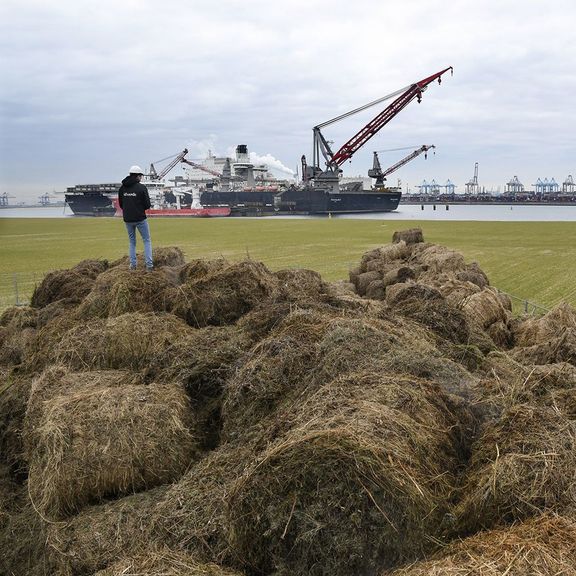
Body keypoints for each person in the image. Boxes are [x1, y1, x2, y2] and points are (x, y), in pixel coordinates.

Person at [118, 165, 153, 271]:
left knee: (132, 242)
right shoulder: (142, 188)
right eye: (141, 176)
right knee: (146, 240)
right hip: (140, 218)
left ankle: (132, 265)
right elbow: (147, 205)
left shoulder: (122, 188)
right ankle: (149, 266)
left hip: (128, 219)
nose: (141, 178)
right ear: (138, 176)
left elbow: (121, 204)